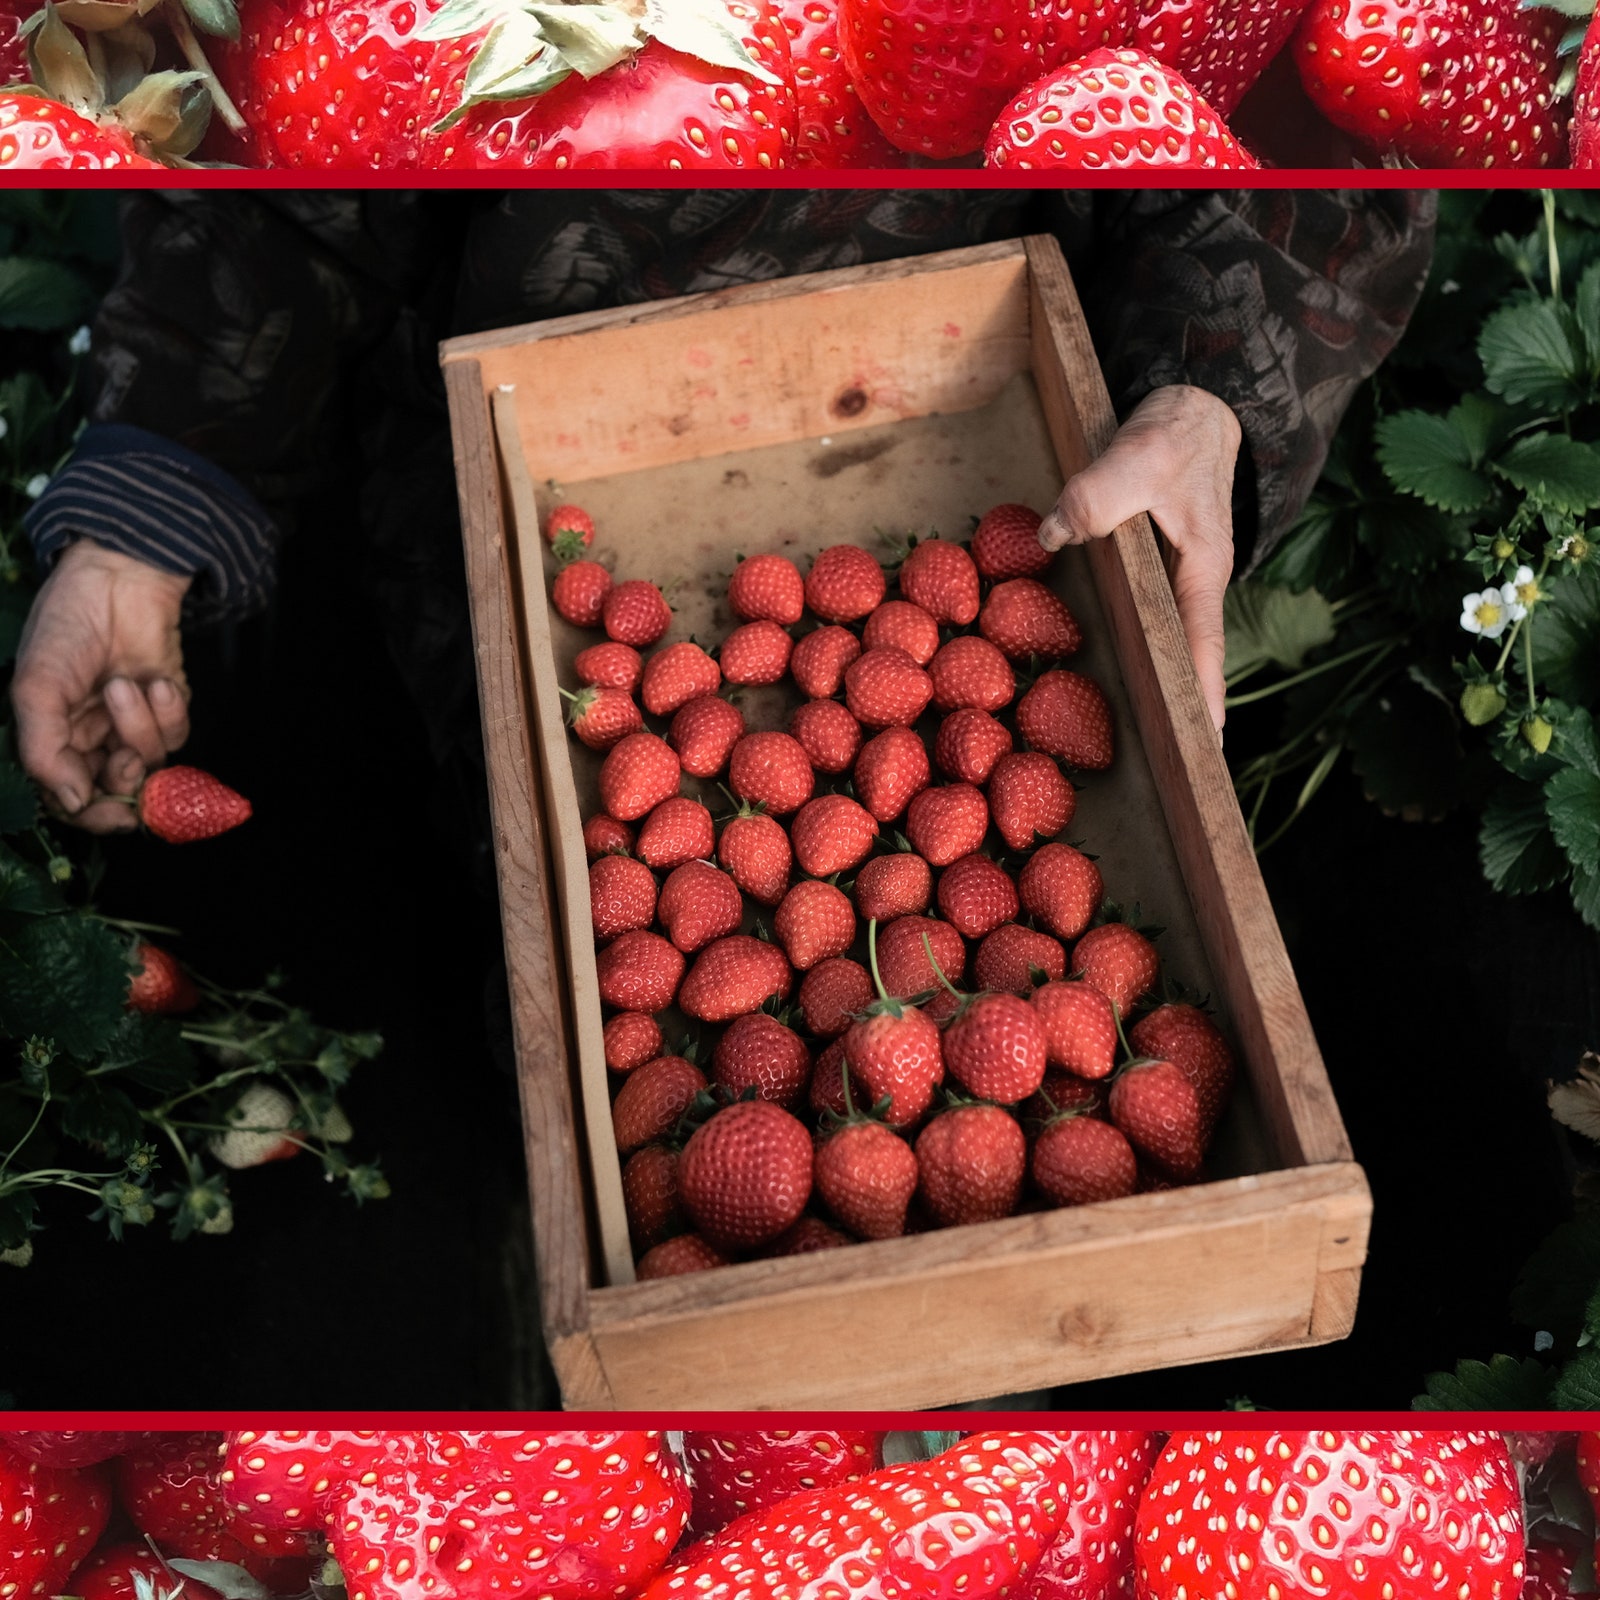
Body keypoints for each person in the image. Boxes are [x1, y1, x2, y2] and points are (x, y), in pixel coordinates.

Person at [14, 190, 1436, 830]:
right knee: (532, 860)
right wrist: (161, 480)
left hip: (1004, 444)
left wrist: (1206, 390)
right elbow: (296, 137)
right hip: (497, 514)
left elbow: (1296, 99)